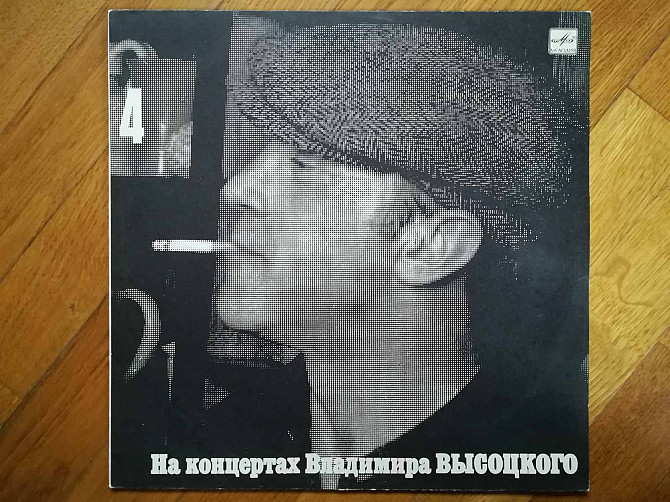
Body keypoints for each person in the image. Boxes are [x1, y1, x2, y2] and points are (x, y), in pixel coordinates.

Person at [208, 18, 588, 490]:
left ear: (431, 245)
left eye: (304, 164)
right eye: (261, 155)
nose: (235, 190)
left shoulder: (521, 467)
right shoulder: (217, 441)